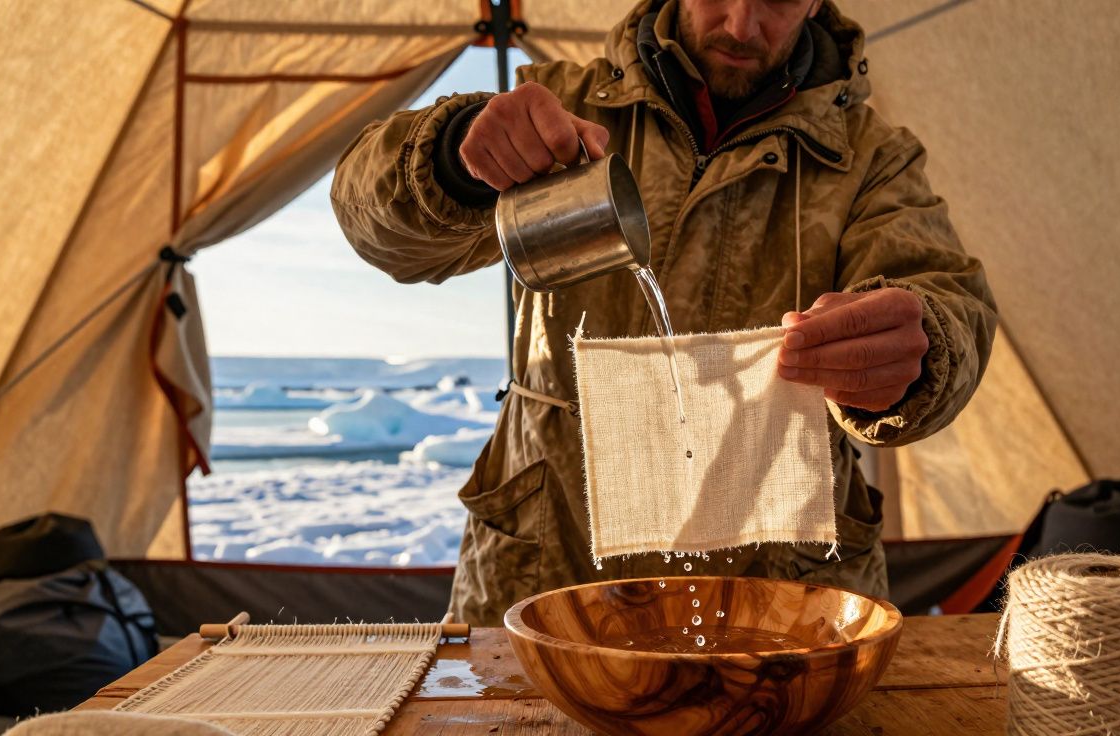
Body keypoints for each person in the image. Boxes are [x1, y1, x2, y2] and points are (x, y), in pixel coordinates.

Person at [331, 0, 997, 626]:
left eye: (778, 0)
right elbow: (376, 228)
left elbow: (948, 298)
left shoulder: (872, 159)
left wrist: (918, 350)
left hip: (780, 605)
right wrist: (453, 155)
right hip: (544, 584)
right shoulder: (560, 106)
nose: (741, 24)